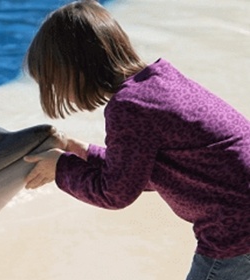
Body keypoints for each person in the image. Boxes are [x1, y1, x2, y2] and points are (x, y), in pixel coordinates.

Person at [22, 0, 250, 279]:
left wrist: (60, 169)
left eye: (54, 82)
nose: (58, 91)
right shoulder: (158, 84)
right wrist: (80, 151)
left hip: (236, 229)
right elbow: (139, 169)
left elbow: (115, 192)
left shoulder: (129, 108)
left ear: (76, 69)